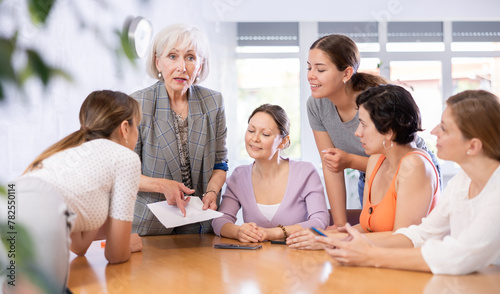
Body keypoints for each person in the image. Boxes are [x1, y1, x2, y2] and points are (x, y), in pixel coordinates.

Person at [315, 90, 500, 275]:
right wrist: (333, 239)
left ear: (473, 146)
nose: (434, 131)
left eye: (444, 128)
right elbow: (421, 234)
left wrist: (371, 255)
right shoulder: (462, 181)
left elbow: (459, 256)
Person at [11, 90, 143, 293]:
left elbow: (80, 246)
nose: (137, 135)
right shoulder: (126, 158)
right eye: (138, 127)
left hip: (10, 204)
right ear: (125, 128)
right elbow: (116, 255)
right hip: (42, 209)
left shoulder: (74, 154)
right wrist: (126, 244)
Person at [306, 34, 441, 226]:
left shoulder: (372, 100)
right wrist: (340, 226)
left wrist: (350, 160)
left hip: (405, 165)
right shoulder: (316, 106)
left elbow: (394, 157)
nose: (311, 75)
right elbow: (332, 165)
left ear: (346, 73)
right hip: (371, 170)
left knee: (403, 235)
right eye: (309, 67)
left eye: (320, 69)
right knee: (374, 228)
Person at [287, 85, 440, 249]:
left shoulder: (415, 165)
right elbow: (369, 228)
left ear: (388, 131)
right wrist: (324, 235)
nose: (357, 132)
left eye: (363, 124)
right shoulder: (376, 161)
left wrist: (333, 241)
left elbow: (403, 240)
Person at [131, 23, 228, 236]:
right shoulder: (137, 104)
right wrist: (163, 186)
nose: (182, 67)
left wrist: (212, 190)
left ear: (200, 65)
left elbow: (221, 162)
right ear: (158, 62)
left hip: (200, 222)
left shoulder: (214, 102)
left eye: (191, 57)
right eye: (172, 56)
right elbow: (124, 174)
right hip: (149, 226)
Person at [212, 104, 329, 242]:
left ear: (283, 141)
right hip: (256, 261)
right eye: (251, 130)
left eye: (265, 134)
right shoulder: (239, 176)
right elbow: (219, 221)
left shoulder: (305, 173)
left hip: (299, 258)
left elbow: (320, 221)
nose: (254, 139)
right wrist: (239, 232)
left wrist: (274, 233)